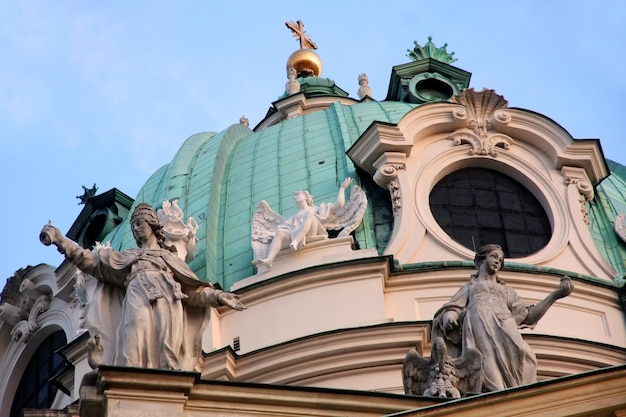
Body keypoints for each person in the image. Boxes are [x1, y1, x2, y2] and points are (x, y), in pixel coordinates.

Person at [40, 203, 245, 372]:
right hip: (137, 295)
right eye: (133, 227)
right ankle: (131, 379)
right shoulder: (127, 258)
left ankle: (166, 375)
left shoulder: (169, 259)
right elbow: (88, 261)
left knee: (166, 341)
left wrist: (217, 296)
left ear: (152, 225)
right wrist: (60, 240)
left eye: (139, 224)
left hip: (167, 301)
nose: (136, 230)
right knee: (134, 329)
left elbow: (192, 292)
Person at [432, 244, 573, 392]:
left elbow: (530, 316)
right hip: (480, 323)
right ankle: (497, 393)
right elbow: (454, 306)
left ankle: (516, 394)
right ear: (481, 259)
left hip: (506, 325)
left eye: (500, 260)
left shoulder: (507, 291)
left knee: (526, 354)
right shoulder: (470, 287)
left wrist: (555, 295)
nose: (497, 262)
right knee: (486, 358)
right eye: (493, 256)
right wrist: (450, 315)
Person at [254, 177, 354, 269]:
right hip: (295, 233)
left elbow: (339, 205)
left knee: (309, 215)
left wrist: (342, 188)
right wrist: (266, 234)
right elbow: (281, 232)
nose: (295, 196)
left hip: (311, 232)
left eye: (298, 194)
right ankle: (270, 259)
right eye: (295, 196)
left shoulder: (316, 209)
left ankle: (296, 241)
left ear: (306, 197)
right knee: (280, 231)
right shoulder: (293, 218)